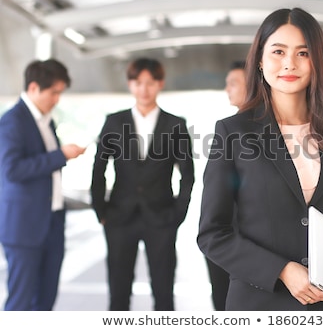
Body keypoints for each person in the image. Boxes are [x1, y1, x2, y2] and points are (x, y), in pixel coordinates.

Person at [197, 7, 323, 311]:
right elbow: (212, 233)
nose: (289, 63)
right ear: (259, 60)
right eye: (278, 51)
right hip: (258, 306)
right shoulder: (233, 133)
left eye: (302, 53)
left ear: (317, 62)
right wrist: (281, 270)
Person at [90, 57, 195, 311]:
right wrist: (100, 210)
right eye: (138, 83)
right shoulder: (114, 121)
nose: (144, 89)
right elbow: (99, 168)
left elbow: (188, 174)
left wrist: (178, 214)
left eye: (150, 83)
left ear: (160, 84)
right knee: (118, 292)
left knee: (163, 291)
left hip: (161, 217)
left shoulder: (175, 125)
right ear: (130, 85)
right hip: (119, 217)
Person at [0, 59, 86, 311]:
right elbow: (11, 170)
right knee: (21, 300)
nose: (57, 99)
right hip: (24, 227)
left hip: (51, 221)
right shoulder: (12, 121)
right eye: (54, 92)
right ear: (35, 87)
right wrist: (61, 155)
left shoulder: (46, 121)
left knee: (46, 299)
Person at [204, 60, 248, 311]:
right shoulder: (227, 128)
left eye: (233, 83)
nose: (227, 89)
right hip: (224, 237)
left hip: (256, 241)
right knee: (222, 304)